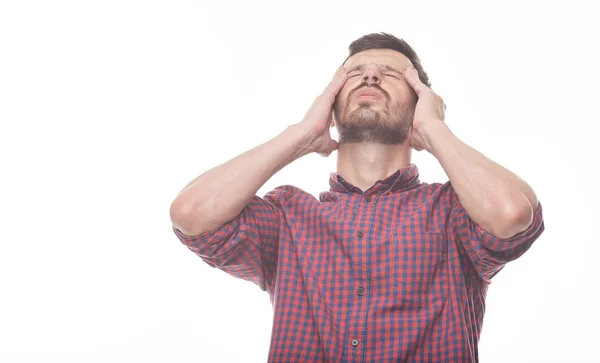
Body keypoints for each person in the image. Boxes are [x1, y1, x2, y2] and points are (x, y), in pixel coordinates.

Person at [169, 33, 545, 363]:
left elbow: (511, 215)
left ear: (419, 105)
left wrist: (434, 129)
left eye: (392, 73)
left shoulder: (453, 210)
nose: (370, 75)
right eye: (355, 72)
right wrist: (301, 134)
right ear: (331, 108)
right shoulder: (287, 216)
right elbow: (192, 214)